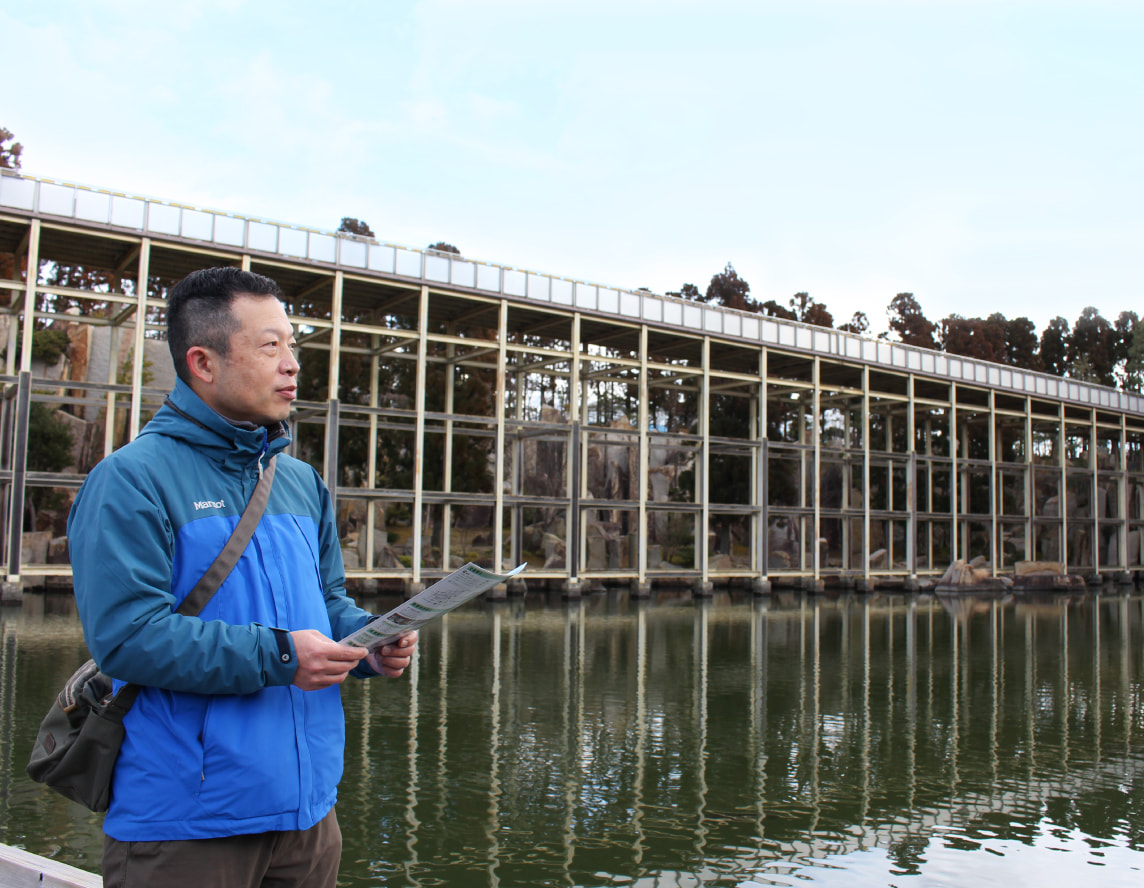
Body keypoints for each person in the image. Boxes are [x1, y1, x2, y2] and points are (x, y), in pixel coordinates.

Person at [68, 266, 417, 887]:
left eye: (291, 345)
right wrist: (282, 655)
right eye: (269, 346)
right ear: (202, 362)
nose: (292, 365)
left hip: (309, 818)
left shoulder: (300, 483)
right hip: (186, 825)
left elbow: (327, 603)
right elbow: (127, 639)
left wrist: (371, 641)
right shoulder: (132, 480)